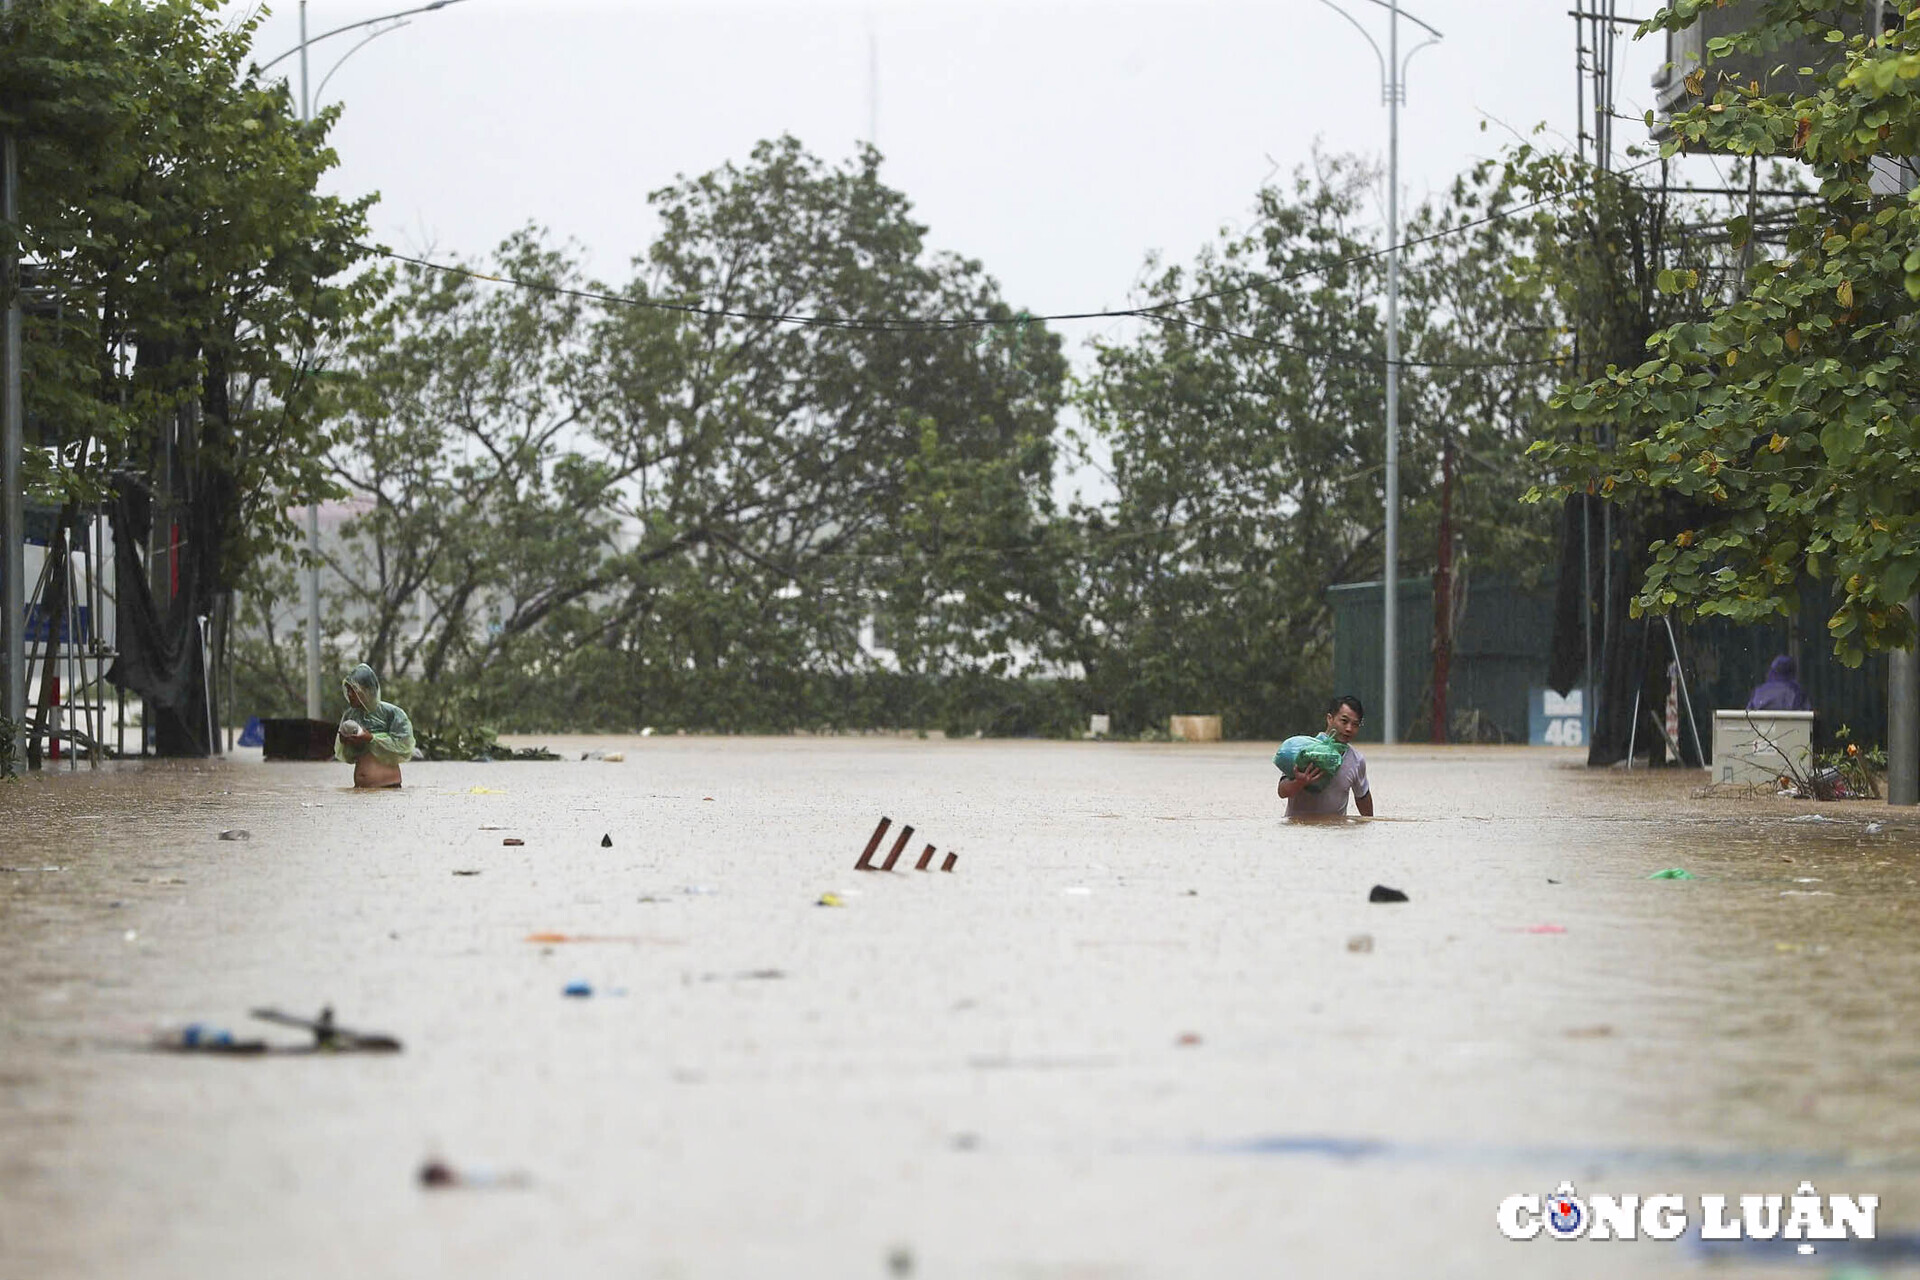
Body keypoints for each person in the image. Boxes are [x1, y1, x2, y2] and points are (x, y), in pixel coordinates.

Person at [1277, 693, 1374, 817]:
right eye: (1344, 721)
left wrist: (1371, 829)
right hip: (1300, 833)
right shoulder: (1303, 750)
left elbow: (1362, 797)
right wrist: (1299, 782)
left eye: (1355, 724)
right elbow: (1282, 792)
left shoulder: (1356, 760)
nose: (1349, 728)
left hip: (1336, 833)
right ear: (1330, 719)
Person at [334, 663, 415, 789]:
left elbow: (405, 747)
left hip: (388, 789)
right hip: (361, 791)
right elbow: (349, 757)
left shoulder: (392, 713)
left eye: (353, 690)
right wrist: (348, 743)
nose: (349, 694)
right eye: (347, 690)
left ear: (367, 690)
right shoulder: (350, 715)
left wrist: (372, 738)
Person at [1747, 654, 1812, 712]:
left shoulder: (1758, 692)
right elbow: (1806, 717)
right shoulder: (1797, 692)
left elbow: (1748, 716)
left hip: (1760, 725)